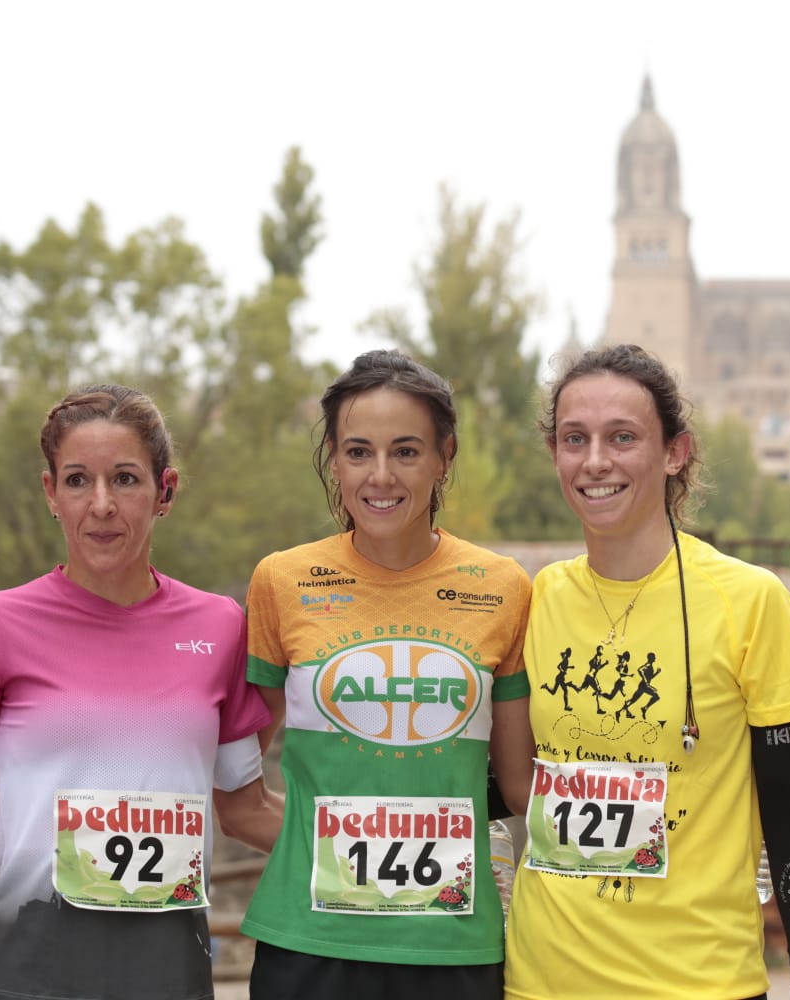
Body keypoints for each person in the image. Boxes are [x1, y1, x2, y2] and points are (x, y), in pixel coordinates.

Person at [0, 383, 281, 1000]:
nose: (101, 504)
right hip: (23, 971)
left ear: (166, 491)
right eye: (78, 480)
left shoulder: (222, 627)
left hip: (171, 976)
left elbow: (245, 807)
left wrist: (358, 852)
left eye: (125, 479)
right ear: (50, 493)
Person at [506, 344, 790, 1000]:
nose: (595, 460)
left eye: (622, 437)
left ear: (674, 453)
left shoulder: (750, 602)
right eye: (575, 439)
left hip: (698, 980)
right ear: (555, 456)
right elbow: (506, 785)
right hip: (541, 980)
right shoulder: (534, 600)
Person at [240, 350, 533, 1000]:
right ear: (333, 460)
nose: (380, 476)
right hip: (307, 944)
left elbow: (519, 789)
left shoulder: (504, 587)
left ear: (444, 456)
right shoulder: (280, 582)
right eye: (357, 452)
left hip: (455, 945)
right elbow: (235, 795)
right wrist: (330, 846)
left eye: (405, 451)